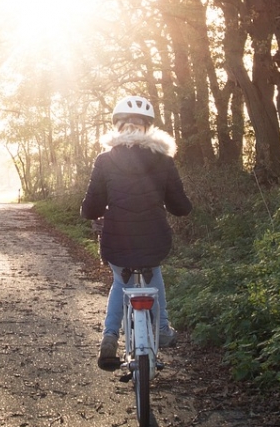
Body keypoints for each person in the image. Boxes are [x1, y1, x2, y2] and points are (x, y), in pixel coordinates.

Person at [80, 96, 193, 370]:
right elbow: (181, 207)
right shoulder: (163, 160)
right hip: (154, 237)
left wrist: (94, 213)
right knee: (154, 272)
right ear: (148, 129)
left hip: (116, 238)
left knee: (121, 281)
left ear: (118, 128)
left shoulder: (105, 160)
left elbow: (91, 207)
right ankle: (163, 329)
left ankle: (109, 337)